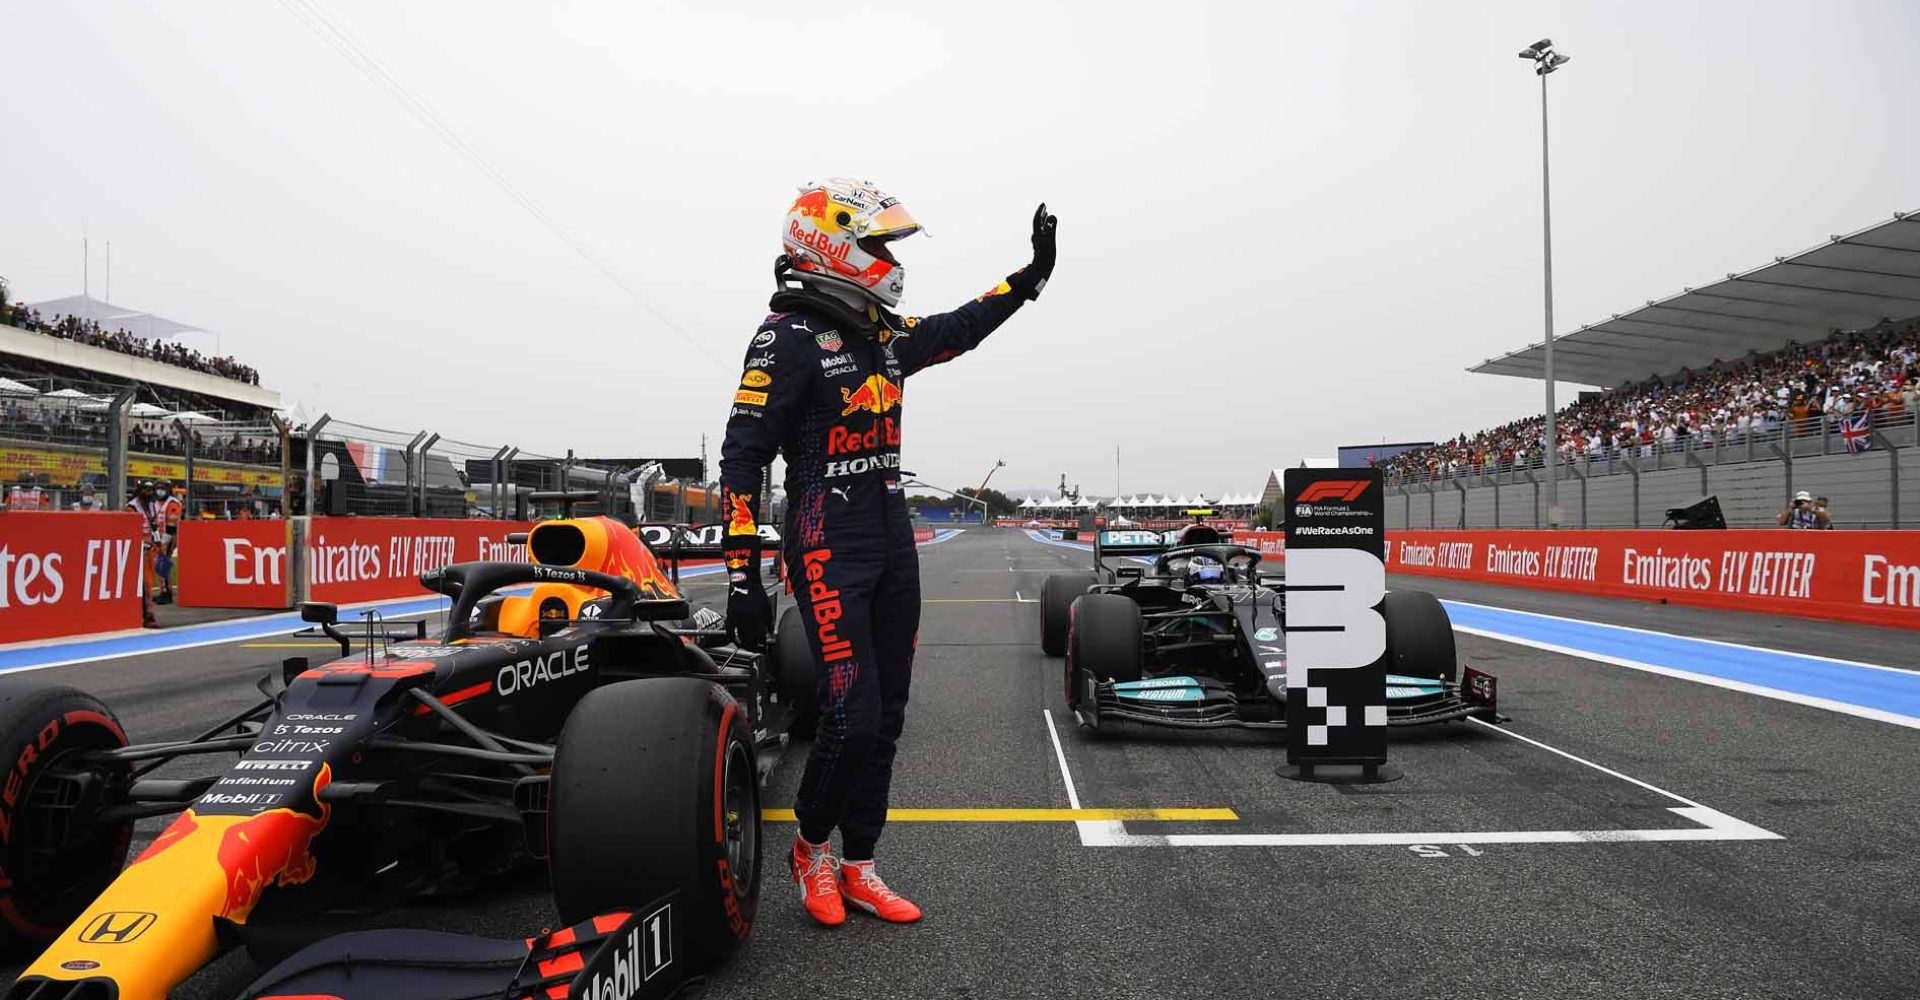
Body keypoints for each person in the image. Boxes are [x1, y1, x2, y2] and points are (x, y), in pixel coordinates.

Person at [719, 178, 1056, 928]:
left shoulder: (882, 332)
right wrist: (743, 574)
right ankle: (810, 849)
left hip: (891, 540)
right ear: (829, 243)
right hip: (826, 543)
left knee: (890, 713)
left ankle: (861, 863)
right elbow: (742, 460)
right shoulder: (787, 337)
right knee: (851, 712)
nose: (885, 257)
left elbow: (960, 327)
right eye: (874, 242)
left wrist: (1029, 280)